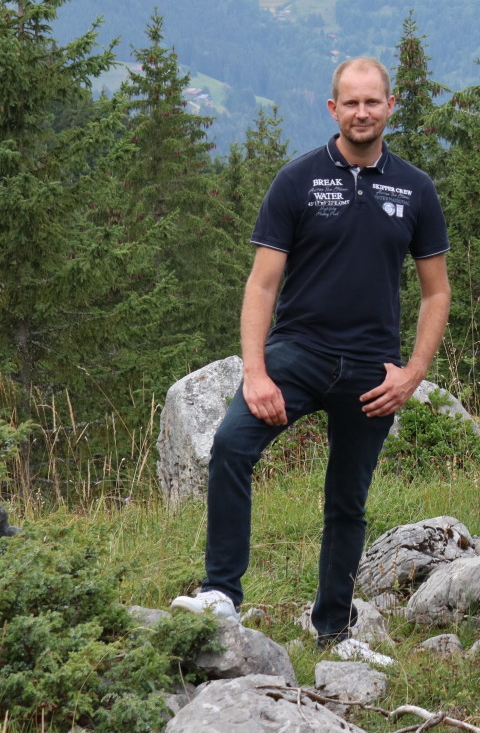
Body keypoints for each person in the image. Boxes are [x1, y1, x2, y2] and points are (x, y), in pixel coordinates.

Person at [179, 56, 450, 644]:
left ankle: (334, 631)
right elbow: (261, 284)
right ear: (333, 109)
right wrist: (255, 372)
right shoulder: (297, 180)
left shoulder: (416, 188)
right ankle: (221, 594)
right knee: (231, 445)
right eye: (350, 103)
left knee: (347, 502)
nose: (361, 112)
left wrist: (413, 375)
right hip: (297, 353)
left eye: (372, 102)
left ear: (389, 106)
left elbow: (436, 292)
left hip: (373, 372)